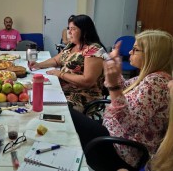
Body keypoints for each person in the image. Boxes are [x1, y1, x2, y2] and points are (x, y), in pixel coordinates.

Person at [70, 30, 173, 171]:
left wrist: (113, 85)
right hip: (113, 133)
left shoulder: (156, 83)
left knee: (69, 114)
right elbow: (125, 87)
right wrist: (116, 72)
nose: (130, 52)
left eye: (135, 49)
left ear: (151, 54)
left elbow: (128, 124)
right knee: (70, 121)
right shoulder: (150, 76)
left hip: (124, 150)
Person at [28, 14, 107, 112]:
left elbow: (87, 81)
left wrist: (60, 74)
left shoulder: (94, 50)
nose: (69, 32)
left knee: (48, 108)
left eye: (73, 29)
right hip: (64, 90)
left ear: (85, 31)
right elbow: (57, 60)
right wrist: (38, 65)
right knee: (35, 96)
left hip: (82, 96)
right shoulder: (72, 45)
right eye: (69, 28)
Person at [118, 79, 173, 171]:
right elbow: (125, 85)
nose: (169, 84)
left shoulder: (155, 82)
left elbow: (129, 127)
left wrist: (113, 88)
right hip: (129, 141)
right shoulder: (150, 76)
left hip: (133, 149)